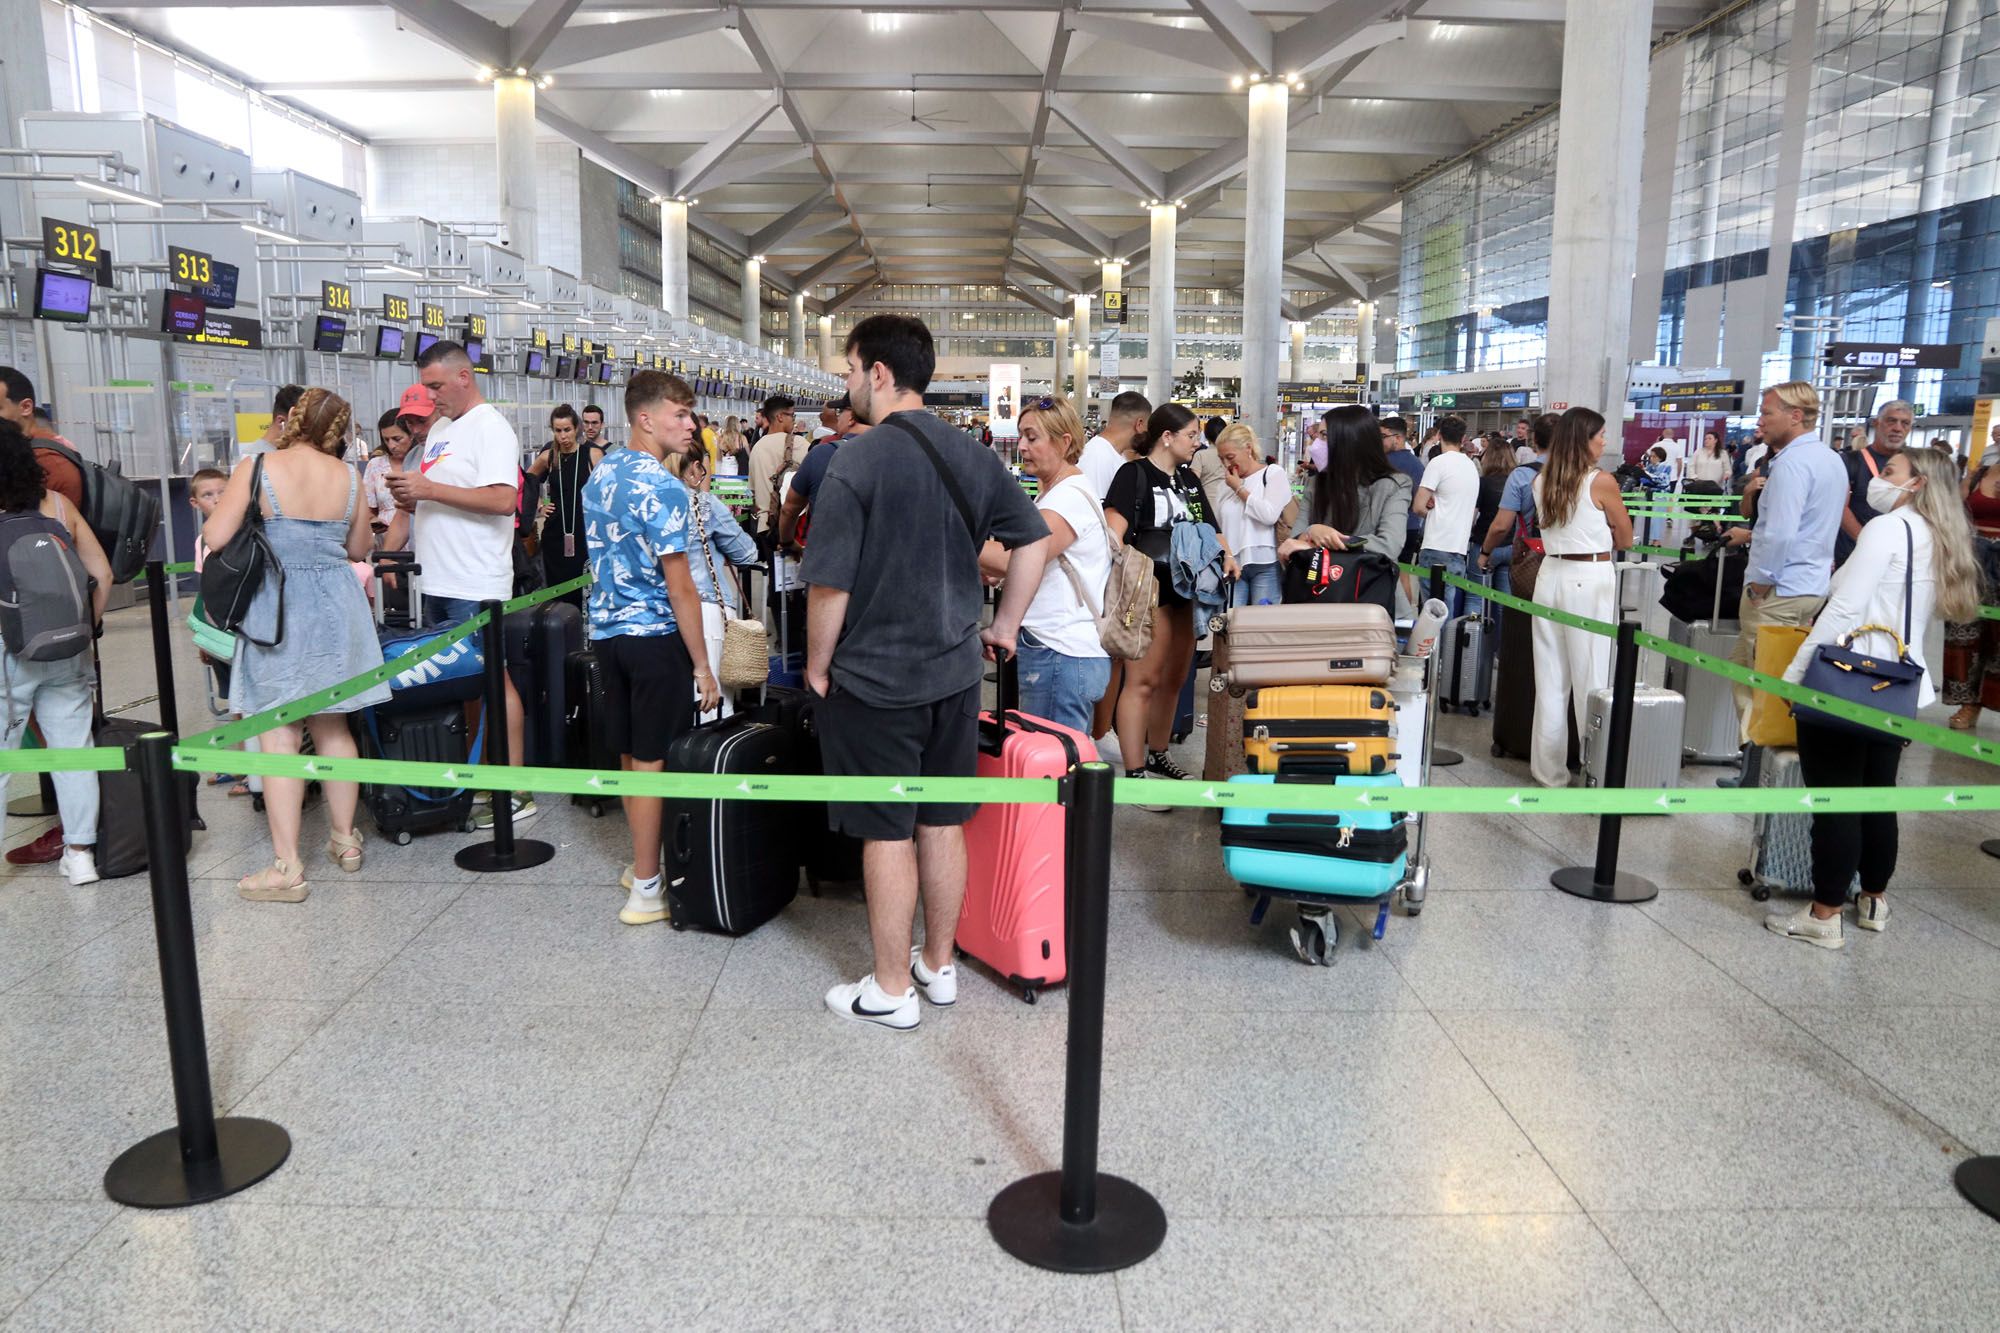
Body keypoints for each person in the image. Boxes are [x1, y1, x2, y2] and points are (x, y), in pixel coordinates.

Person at [801, 314, 1050, 1030]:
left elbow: (830, 584)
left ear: (879, 373)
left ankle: (889, 989)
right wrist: (1004, 626)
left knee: (886, 830)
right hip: (956, 675)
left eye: (851, 368)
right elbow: (1032, 541)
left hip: (874, 679)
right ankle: (938, 966)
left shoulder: (856, 460)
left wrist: (816, 666)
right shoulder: (973, 454)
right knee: (942, 821)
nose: (848, 381)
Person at [1766, 446, 1981, 948]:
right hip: (1899, 687)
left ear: (1917, 483)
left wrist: (1794, 678)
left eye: (1889, 471)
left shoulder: (1888, 529)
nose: (1878, 479)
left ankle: (1824, 915)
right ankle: (1874, 899)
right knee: (1879, 794)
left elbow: (1844, 609)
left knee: (1836, 800)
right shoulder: (1938, 534)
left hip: (1848, 680)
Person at [201, 389, 388, 902]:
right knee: (335, 725)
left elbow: (216, 536)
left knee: (279, 730)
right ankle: (345, 840)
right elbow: (358, 547)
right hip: (337, 606)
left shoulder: (257, 466)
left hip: (277, 607)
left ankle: (287, 866)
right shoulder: (349, 476)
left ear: (292, 420)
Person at [582, 370, 719, 923]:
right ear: (645, 418)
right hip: (656, 638)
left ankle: (640, 866)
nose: (691, 425)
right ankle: (645, 886)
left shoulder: (603, 471)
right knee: (654, 760)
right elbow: (679, 585)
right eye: (679, 414)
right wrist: (703, 665)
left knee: (631, 755)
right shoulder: (664, 488)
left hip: (607, 636)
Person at [386, 340, 534, 830]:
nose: (430, 398)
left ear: (464, 377)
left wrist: (430, 489)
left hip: (474, 580)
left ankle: (515, 789)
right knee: (465, 683)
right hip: (437, 577)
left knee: (494, 681)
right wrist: (416, 500)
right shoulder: (442, 429)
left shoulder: (491, 427)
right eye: (425, 387)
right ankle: (484, 778)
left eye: (436, 386)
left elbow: (503, 501)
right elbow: (452, 494)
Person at [1103, 403, 1240, 803]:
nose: (1198, 443)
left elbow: (1210, 527)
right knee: (1142, 680)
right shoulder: (1133, 475)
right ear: (1167, 437)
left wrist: (1228, 555)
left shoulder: (1189, 480)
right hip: (1149, 589)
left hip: (1189, 591)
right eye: (1191, 435)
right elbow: (1114, 530)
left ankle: (1159, 753)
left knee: (1175, 680)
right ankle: (1134, 772)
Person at [0, 420, 111, 885]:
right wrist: (86, 628)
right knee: (73, 751)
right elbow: (102, 573)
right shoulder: (59, 505)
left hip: (9, 653)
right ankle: (81, 855)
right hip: (69, 647)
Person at [1726, 382, 1848, 771]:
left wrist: (1760, 583)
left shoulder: (1792, 464)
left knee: (1761, 684)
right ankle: (1758, 765)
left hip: (1778, 590)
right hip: (1810, 587)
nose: (1760, 421)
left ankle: (1759, 772)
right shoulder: (1830, 459)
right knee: (1758, 671)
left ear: (1795, 416)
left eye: (1767, 413)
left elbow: (1780, 533)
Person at [977, 395, 1109, 733]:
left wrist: (956, 540)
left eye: (1032, 437)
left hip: (1060, 651)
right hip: (1059, 650)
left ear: (1064, 442)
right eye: (1021, 436)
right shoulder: (1056, 493)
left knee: (1053, 756)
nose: (1022, 446)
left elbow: (1014, 559)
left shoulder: (1067, 498)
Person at [1527, 408, 1634, 790]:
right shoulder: (1601, 481)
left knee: (1550, 679)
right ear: (1583, 440)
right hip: (1588, 578)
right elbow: (1625, 537)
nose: (1605, 441)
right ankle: (1597, 770)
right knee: (1592, 676)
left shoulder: (1542, 481)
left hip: (1549, 576)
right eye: (1600, 435)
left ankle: (1549, 772)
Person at [665, 448, 756, 721]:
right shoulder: (702, 504)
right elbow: (747, 553)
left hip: (660, 614)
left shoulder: (647, 504)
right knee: (712, 708)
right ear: (694, 468)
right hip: (705, 610)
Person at [1277, 405, 1413, 567]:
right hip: (1317, 580)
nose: (1315, 445)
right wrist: (1310, 532)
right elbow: (1294, 542)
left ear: (1350, 441)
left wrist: (1324, 540)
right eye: (1318, 436)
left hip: (1367, 580)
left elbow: (1389, 545)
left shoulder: (1394, 485)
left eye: (1324, 435)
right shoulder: (1316, 483)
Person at [526, 403, 603, 605]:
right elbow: (526, 482)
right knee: (556, 595)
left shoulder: (592, 455)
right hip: (555, 535)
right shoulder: (549, 457)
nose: (563, 436)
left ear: (576, 428)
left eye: (567, 430)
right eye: (558, 431)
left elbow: (608, 492)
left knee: (585, 594)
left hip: (585, 533)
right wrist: (540, 506)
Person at [1943, 458, 2000, 729]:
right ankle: (1969, 704)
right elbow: (1956, 511)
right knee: (1964, 633)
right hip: (1972, 562)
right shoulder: (1981, 473)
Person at [1213, 422, 1289, 607]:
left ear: (1248, 448)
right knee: (1231, 619)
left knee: (1263, 621)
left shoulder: (1272, 473)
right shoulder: (1224, 485)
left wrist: (1239, 489)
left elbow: (1268, 515)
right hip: (1233, 564)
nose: (1227, 464)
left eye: (1230, 457)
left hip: (1266, 562)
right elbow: (1218, 526)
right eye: (1221, 458)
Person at [778, 395, 867, 551]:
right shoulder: (894, 454)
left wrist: (787, 542)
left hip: (826, 555)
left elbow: (789, 508)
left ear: (851, 417)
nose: (838, 417)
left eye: (840, 412)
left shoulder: (822, 454)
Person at [1835, 400, 1913, 564]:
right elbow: (1840, 507)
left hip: (1897, 555)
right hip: (1853, 553)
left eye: (1905, 423)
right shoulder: (1850, 461)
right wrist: (1867, 542)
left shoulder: (1914, 464)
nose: (1898, 428)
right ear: (1876, 423)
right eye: (1891, 421)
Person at [1413, 414, 1480, 586]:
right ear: (1463, 438)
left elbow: (1418, 507)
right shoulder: (1471, 466)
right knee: (1448, 599)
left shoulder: (1437, 463)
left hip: (1436, 545)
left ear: (1439, 435)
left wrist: (1436, 513)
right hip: (1459, 547)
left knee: (1433, 602)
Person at [747, 394, 804, 539]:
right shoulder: (799, 443)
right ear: (780, 417)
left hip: (765, 526)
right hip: (794, 526)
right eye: (792, 415)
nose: (794, 420)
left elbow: (753, 491)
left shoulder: (757, 448)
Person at [1080, 390, 1150, 498]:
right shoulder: (1098, 456)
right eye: (1147, 426)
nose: (1147, 432)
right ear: (1139, 424)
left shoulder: (1110, 454)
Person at [362, 410, 413, 533]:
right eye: (386, 440)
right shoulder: (375, 465)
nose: (391, 446)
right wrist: (374, 521)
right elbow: (368, 510)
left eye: (397, 439)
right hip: (385, 535)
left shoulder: (423, 461)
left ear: (412, 434)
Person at [240, 384, 305, 460]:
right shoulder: (252, 458)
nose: (303, 434)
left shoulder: (291, 453)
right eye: (300, 426)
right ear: (281, 421)